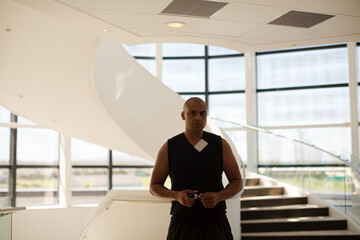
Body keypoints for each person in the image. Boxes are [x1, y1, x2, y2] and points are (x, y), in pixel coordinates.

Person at [150, 97, 243, 240]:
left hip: (216, 223)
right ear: (183, 115)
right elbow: (154, 187)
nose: (198, 117)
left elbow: (237, 182)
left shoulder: (220, 144)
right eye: (192, 113)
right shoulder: (170, 147)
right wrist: (177, 196)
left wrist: (219, 196)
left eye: (202, 113)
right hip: (182, 225)